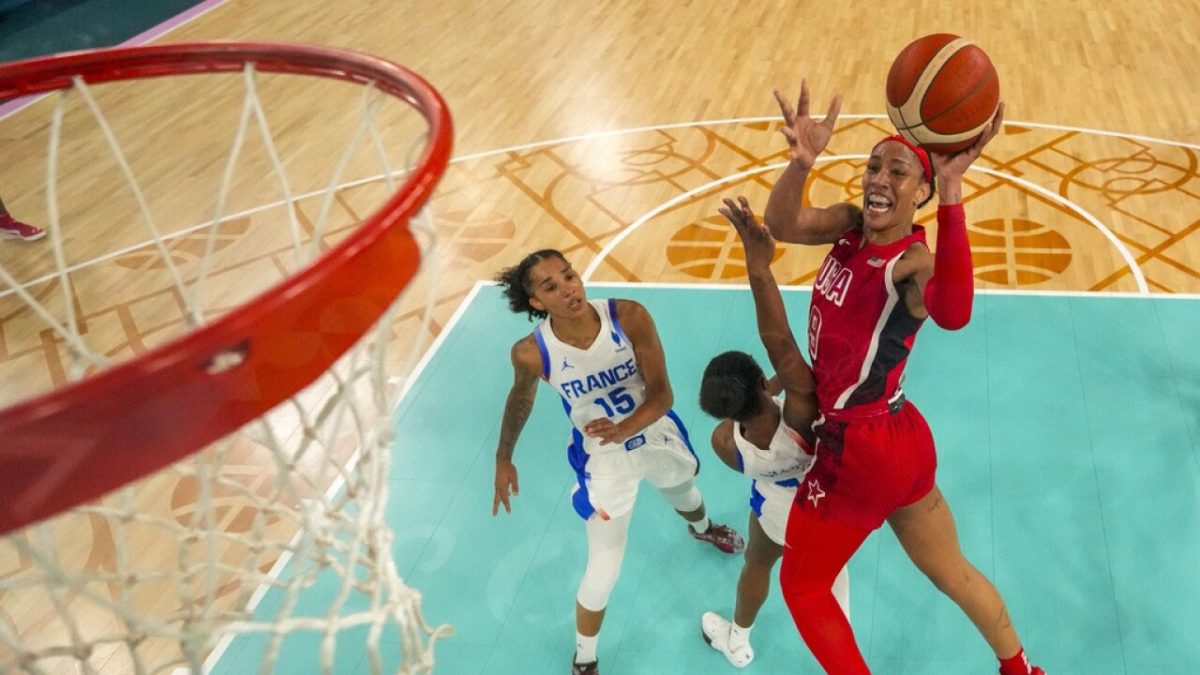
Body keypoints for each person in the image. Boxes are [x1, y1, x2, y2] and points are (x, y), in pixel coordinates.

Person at [742, 79, 1044, 675]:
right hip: (900, 436)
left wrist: (956, 191)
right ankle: (1021, 669)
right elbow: (781, 222)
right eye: (873, 165)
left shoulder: (912, 261)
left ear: (923, 191)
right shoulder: (851, 226)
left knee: (803, 589)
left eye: (899, 172)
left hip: (859, 449)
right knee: (950, 569)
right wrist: (801, 164)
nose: (879, 178)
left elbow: (955, 312)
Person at [491, 248, 746, 675]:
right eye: (551, 286)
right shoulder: (531, 353)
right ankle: (585, 660)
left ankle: (702, 529)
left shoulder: (628, 316)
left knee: (686, 494)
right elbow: (520, 398)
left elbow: (663, 395)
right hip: (603, 460)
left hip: (654, 431)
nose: (568, 288)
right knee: (604, 567)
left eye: (569, 275)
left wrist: (624, 428)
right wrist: (504, 457)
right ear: (536, 303)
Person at [696, 204, 851, 668]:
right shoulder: (801, 412)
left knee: (757, 565)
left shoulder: (724, 443)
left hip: (774, 508)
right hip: (824, 503)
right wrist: (758, 266)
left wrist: (767, 387)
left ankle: (738, 641)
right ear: (764, 381)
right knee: (832, 593)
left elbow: (746, 408)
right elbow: (780, 341)